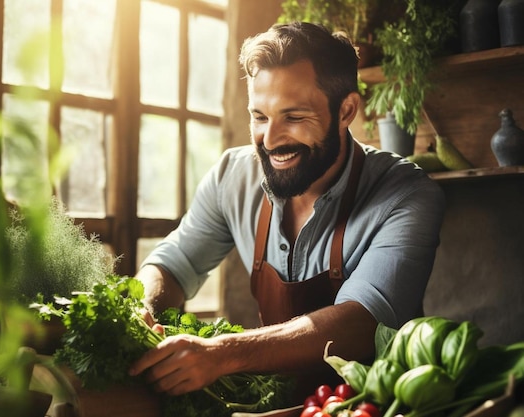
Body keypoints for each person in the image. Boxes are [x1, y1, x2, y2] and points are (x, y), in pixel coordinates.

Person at [129, 21, 445, 401]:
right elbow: (174, 261)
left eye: (294, 117)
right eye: (260, 117)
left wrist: (224, 353)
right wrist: (142, 306)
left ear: (346, 110)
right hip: (279, 405)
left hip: (373, 406)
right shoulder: (233, 176)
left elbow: (362, 321)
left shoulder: (406, 193)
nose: (271, 139)